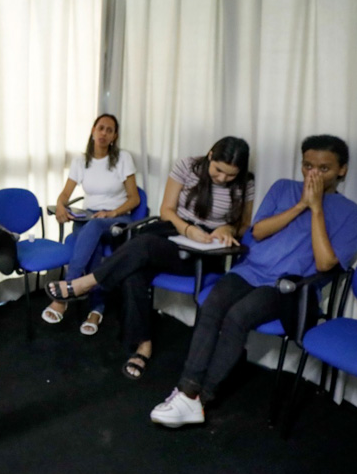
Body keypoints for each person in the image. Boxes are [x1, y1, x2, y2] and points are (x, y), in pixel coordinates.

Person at [151, 135, 357, 427]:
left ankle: (200, 398)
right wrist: (300, 206)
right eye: (308, 166)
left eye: (323, 169)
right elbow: (258, 232)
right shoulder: (283, 188)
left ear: (342, 170)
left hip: (290, 287)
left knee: (238, 316)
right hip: (250, 270)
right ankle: (187, 391)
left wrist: (317, 208)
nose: (313, 174)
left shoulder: (351, 213)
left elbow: (325, 264)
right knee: (212, 306)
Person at [47, 137, 255, 379]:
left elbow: (244, 225)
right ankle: (143, 345)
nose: (222, 179)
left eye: (230, 176)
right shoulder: (187, 166)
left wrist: (228, 230)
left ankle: (87, 283)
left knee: (141, 248)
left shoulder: (245, 183)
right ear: (210, 155)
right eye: (219, 171)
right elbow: (166, 210)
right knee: (137, 265)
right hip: (176, 230)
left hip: (208, 249)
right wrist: (188, 230)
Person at [44, 114, 140, 336]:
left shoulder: (123, 158)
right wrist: (60, 206)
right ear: (93, 131)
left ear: (115, 136)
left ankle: (66, 292)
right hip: (88, 219)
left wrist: (111, 212)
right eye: (101, 128)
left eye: (109, 130)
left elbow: (134, 198)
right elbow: (65, 194)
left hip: (117, 220)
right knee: (93, 240)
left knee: (94, 228)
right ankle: (96, 309)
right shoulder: (81, 161)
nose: (104, 133)